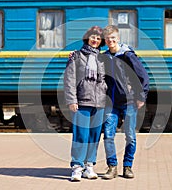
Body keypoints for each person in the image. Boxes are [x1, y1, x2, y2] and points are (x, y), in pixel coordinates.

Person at [101, 25, 149, 179]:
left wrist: (141, 96)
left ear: (118, 38)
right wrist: (74, 55)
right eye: (108, 39)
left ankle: (127, 167)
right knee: (108, 136)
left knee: (130, 136)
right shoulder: (104, 56)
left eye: (113, 38)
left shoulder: (128, 55)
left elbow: (143, 76)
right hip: (111, 103)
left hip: (129, 102)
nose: (110, 41)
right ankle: (112, 167)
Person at [64, 26, 107, 182]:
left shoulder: (103, 58)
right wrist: (71, 100)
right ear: (87, 38)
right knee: (81, 135)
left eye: (98, 38)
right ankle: (77, 167)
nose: (95, 40)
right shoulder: (76, 56)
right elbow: (69, 80)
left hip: (100, 102)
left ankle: (89, 165)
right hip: (81, 101)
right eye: (93, 37)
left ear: (101, 41)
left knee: (94, 136)